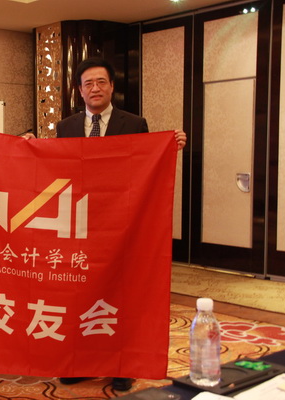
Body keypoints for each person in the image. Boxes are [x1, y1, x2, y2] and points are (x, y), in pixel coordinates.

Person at [54, 57, 186, 392]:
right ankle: (82, 361)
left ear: (112, 86)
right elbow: (54, 167)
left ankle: (122, 365)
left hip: (123, 225)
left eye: (101, 82)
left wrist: (170, 146)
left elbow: (146, 165)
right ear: (79, 90)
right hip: (81, 225)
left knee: (122, 294)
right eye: (88, 83)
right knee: (81, 293)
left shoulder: (134, 123)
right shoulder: (65, 127)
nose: (95, 88)